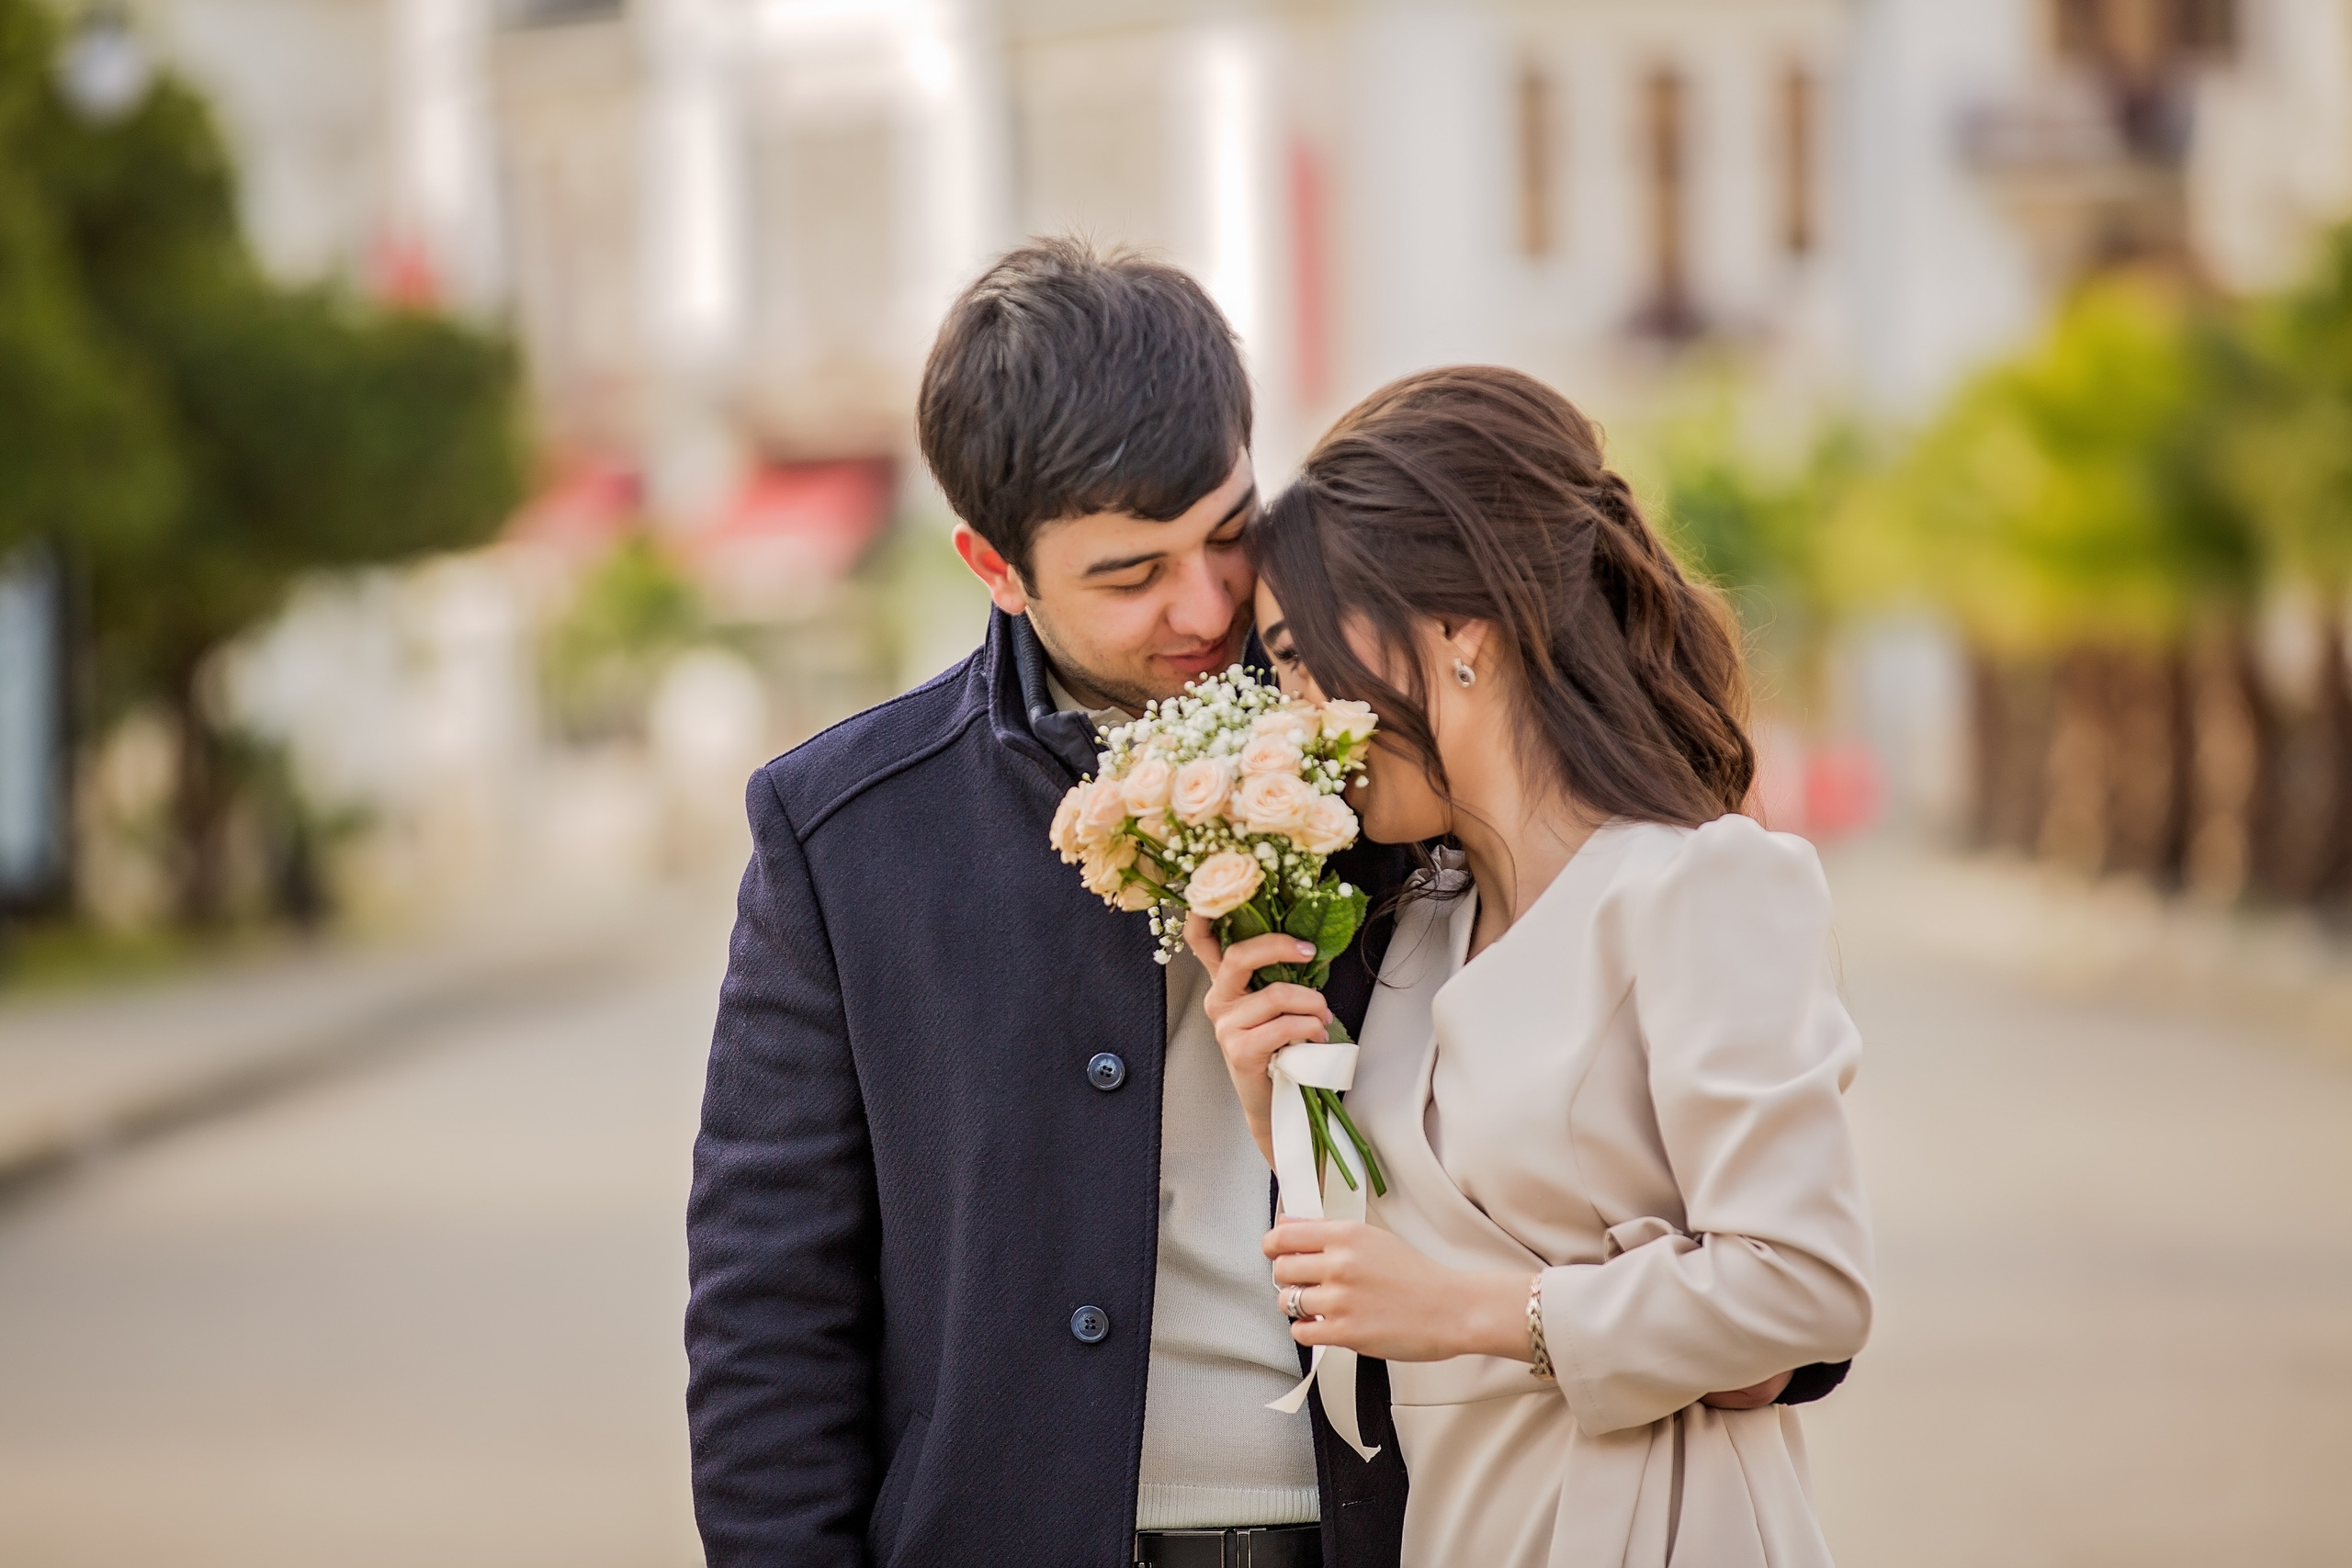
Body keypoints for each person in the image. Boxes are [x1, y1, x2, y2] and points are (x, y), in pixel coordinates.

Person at [684, 238, 1419, 1568]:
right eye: (1130, 573)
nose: (1206, 604)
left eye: (1227, 533)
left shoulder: (1401, 763)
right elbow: (771, 1320)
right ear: (993, 563)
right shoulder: (844, 832)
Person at [1193, 366, 1873, 1568]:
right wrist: (1280, 1120)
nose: (1294, 719)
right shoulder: (1414, 929)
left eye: (1302, 660)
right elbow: (1381, 1280)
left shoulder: (1698, 884)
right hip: (1462, 1527)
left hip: (1658, 1526)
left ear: (1462, 628)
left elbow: (1805, 1287)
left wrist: (1473, 1314)